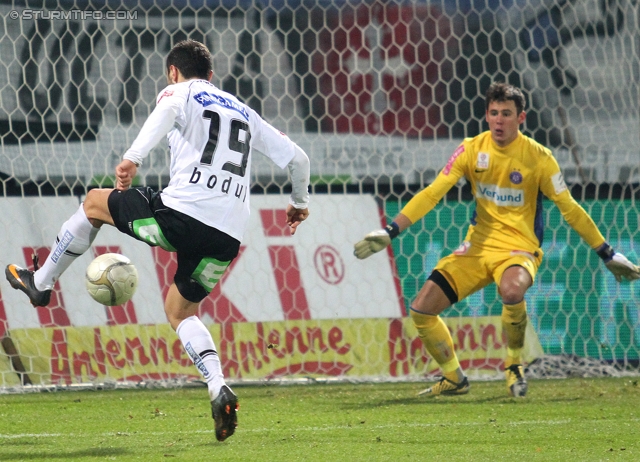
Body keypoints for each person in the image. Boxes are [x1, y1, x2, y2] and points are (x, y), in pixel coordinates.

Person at [5, 39, 310, 441]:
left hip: (184, 214)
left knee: (96, 203)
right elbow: (299, 159)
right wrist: (299, 202)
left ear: (172, 71)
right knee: (181, 310)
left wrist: (133, 157)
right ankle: (218, 385)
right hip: (229, 233)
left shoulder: (180, 91)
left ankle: (41, 283)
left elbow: (166, 111)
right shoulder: (244, 111)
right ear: (213, 75)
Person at [354, 81, 639, 397]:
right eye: (494, 113)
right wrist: (390, 230)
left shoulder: (539, 158)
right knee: (422, 309)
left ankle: (514, 364)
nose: (499, 120)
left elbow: (569, 208)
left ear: (521, 118)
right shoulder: (471, 149)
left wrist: (607, 253)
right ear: (486, 116)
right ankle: (454, 379)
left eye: (506, 113)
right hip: (477, 248)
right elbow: (433, 193)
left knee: (512, 289)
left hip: (519, 249)